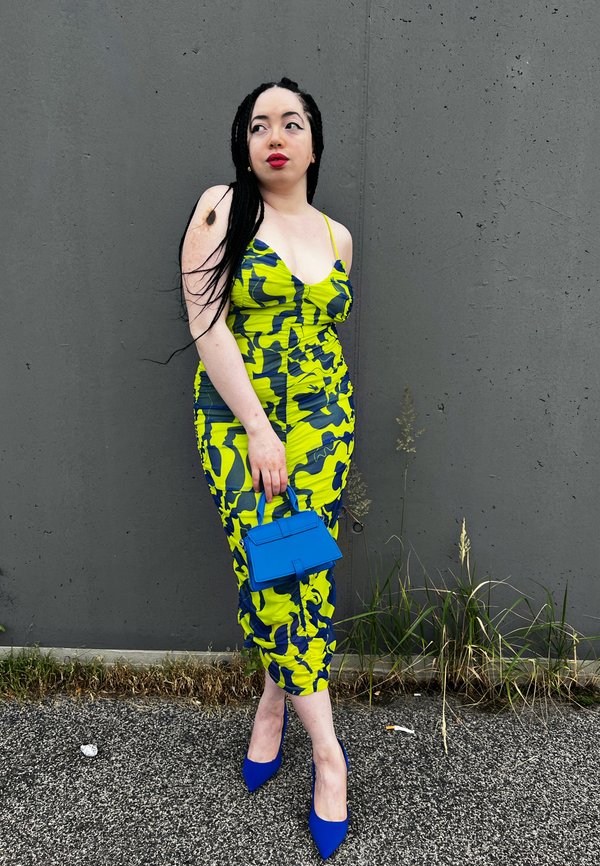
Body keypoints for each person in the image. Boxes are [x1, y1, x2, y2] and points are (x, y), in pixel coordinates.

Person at [180, 76, 356, 859]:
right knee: (277, 574)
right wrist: (258, 427)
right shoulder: (222, 208)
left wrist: (305, 428)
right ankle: (330, 757)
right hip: (242, 427)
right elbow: (205, 320)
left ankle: (273, 709)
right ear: (243, 145)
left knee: (298, 571)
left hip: (324, 425)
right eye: (258, 126)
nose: (274, 136)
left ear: (314, 143)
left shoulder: (337, 236)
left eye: (291, 123)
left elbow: (325, 336)